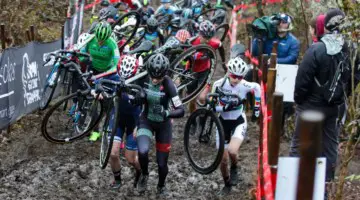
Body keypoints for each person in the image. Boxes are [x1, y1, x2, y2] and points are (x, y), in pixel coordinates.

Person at [291, 8, 351, 193]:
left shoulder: (317, 49)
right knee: (329, 147)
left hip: (310, 106)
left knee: (299, 145)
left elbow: (302, 80)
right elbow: (354, 76)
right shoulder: (348, 48)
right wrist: (342, 95)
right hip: (334, 107)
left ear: (325, 26)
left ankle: (293, 184)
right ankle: (324, 188)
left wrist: (299, 101)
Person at [136, 53, 185, 195]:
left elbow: (181, 111)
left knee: (162, 163)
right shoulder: (143, 78)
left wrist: (166, 113)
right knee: (143, 151)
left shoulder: (169, 84)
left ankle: (161, 185)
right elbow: (133, 96)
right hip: (146, 120)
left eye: (159, 77)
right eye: (152, 76)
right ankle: (145, 175)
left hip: (164, 125)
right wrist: (137, 98)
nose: (155, 80)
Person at [212, 57, 260, 196]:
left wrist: (256, 109)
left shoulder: (244, 85)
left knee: (233, 151)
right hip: (222, 122)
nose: (236, 80)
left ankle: (235, 167)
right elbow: (212, 108)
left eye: (239, 77)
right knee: (222, 160)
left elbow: (257, 88)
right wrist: (224, 107)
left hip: (238, 120)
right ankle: (226, 184)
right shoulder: (218, 84)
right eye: (233, 76)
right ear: (228, 72)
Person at [79, 22, 120, 142]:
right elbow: (81, 54)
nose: (101, 42)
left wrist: (108, 72)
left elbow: (117, 64)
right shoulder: (90, 39)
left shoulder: (112, 43)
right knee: (92, 101)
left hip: (107, 73)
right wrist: (87, 60)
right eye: (99, 39)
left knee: (106, 103)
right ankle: (95, 130)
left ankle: (108, 127)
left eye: (104, 40)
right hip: (93, 70)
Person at [108, 55, 142, 189]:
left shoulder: (140, 82)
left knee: (131, 159)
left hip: (134, 123)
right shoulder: (115, 77)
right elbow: (100, 82)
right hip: (117, 119)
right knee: (113, 153)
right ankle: (117, 180)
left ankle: (141, 172)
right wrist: (98, 91)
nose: (124, 80)